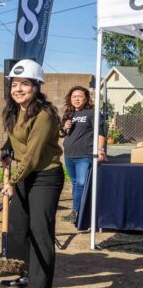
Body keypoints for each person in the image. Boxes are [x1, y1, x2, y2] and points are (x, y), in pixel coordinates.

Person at [0, 59, 64, 288]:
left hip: (46, 177)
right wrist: (6, 149)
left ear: (36, 86)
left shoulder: (44, 114)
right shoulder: (15, 111)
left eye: (24, 84)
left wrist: (12, 181)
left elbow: (34, 155)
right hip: (25, 175)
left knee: (40, 232)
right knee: (18, 227)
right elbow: (14, 139)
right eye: (14, 84)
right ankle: (24, 273)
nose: (18, 89)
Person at [61, 85, 107, 223]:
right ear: (70, 99)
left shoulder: (92, 113)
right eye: (74, 96)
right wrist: (64, 127)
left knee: (81, 183)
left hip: (84, 155)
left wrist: (100, 150)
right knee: (75, 183)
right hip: (69, 155)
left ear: (86, 98)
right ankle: (77, 212)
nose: (76, 99)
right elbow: (62, 134)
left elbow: (101, 133)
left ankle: (78, 213)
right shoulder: (68, 114)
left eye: (80, 96)